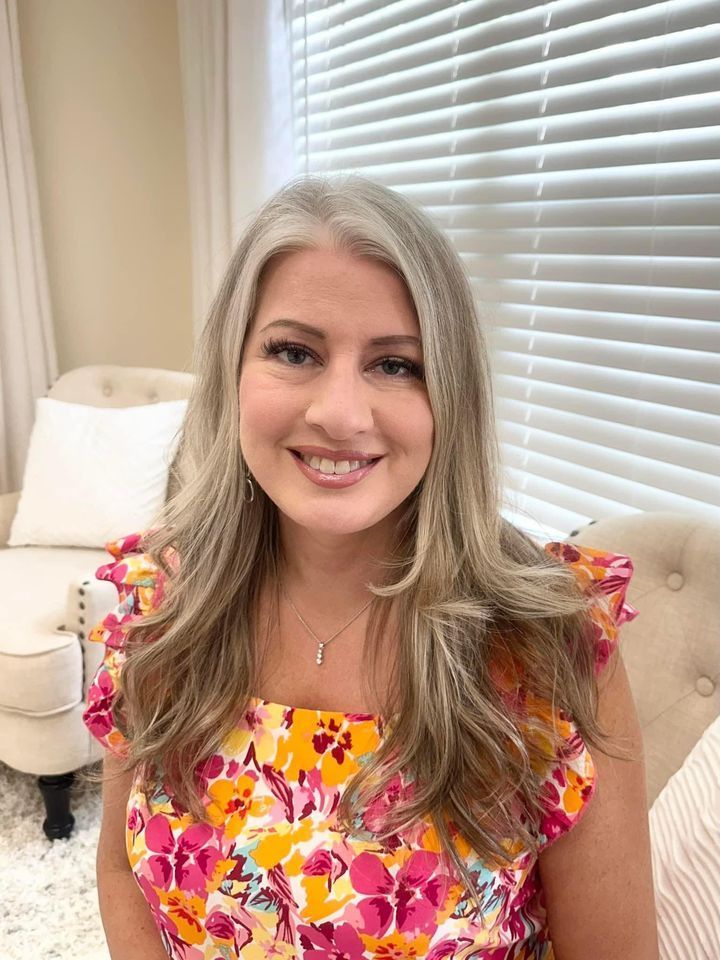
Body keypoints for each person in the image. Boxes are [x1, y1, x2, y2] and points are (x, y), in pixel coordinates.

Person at [81, 173, 659, 959]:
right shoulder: (159, 606)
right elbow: (120, 868)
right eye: (294, 351)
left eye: (396, 365)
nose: (340, 414)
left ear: (449, 397)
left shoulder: (548, 648)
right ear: (233, 371)